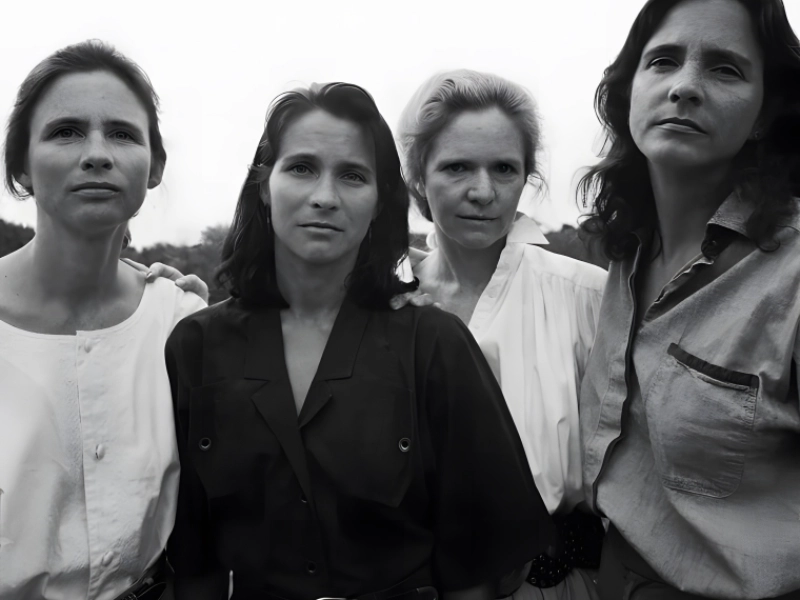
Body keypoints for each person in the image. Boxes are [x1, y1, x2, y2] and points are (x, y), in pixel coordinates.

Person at [165, 81, 555, 600]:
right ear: (263, 184)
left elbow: (476, 573)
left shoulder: (434, 345)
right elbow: (194, 566)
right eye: (301, 168)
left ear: (379, 202)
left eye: (352, 175)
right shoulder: (197, 346)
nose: (324, 197)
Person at [578, 0, 800, 598]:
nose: (684, 87)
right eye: (662, 61)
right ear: (630, 91)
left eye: (725, 68)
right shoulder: (625, 252)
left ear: (765, 113)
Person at [0, 40, 206, 599]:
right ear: (20, 165)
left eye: (121, 133)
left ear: (154, 166)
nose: (96, 153)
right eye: (65, 131)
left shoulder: (183, 322)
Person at [396, 70, 607, 600]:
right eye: (457, 167)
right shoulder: (381, 303)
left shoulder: (586, 297)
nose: (483, 192)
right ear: (418, 176)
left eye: (504, 169)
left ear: (526, 177)